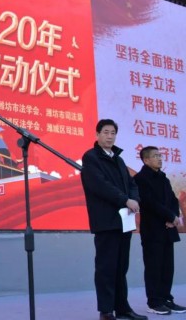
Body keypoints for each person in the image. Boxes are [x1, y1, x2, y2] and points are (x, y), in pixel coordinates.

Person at [80, 119, 147, 320]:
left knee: (121, 267)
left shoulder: (119, 160)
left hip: (124, 221)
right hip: (105, 221)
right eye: (106, 132)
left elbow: (131, 184)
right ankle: (106, 310)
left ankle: (122, 308)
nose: (110, 136)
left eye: (113, 133)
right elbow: (100, 186)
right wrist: (125, 200)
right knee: (106, 268)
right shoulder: (91, 157)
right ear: (97, 135)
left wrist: (134, 199)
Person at [134, 146, 186, 315]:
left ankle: (166, 299)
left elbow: (173, 199)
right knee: (154, 267)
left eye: (160, 155)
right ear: (146, 160)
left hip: (168, 229)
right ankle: (154, 302)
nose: (160, 158)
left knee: (167, 267)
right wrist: (169, 216)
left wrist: (173, 217)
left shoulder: (163, 178)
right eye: (155, 156)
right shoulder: (140, 179)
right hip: (152, 230)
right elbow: (149, 202)